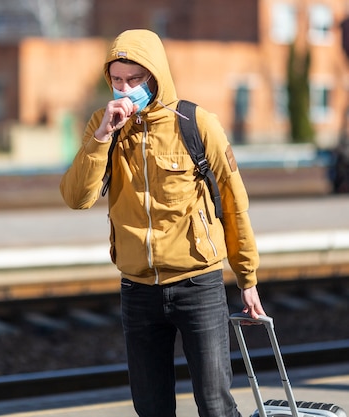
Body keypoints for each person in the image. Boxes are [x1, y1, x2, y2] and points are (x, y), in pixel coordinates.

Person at [59, 29, 266, 417]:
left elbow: (234, 204)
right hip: (137, 290)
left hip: (197, 284)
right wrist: (104, 135)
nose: (125, 89)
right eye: (117, 80)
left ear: (155, 77)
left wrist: (247, 277)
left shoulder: (196, 123)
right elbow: (76, 197)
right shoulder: (103, 127)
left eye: (135, 80)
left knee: (216, 405)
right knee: (151, 408)